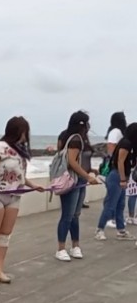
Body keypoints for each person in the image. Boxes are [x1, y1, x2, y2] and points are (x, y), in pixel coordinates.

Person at [0, 116, 44, 283]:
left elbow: (20, 177)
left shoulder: (20, 152)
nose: (26, 136)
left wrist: (33, 185)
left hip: (14, 195)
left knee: (5, 234)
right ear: (18, 131)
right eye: (24, 132)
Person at [55, 111, 99, 261]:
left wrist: (90, 170)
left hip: (80, 181)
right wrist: (87, 176)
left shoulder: (80, 139)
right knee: (67, 216)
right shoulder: (74, 139)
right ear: (83, 124)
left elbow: (80, 160)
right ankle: (61, 248)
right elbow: (72, 162)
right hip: (72, 181)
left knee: (75, 216)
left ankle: (75, 246)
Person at [95, 122, 137, 241]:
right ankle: (99, 229)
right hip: (116, 176)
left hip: (123, 175)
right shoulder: (125, 144)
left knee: (120, 204)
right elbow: (120, 162)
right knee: (110, 204)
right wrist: (123, 179)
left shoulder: (130, 145)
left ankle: (121, 230)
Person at [101, 112, 127, 228]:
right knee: (112, 195)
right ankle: (108, 218)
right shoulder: (116, 132)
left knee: (118, 197)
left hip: (117, 165)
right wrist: (116, 161)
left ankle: (116, 219)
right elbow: (111, 148)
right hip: (114, 166)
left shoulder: (118, 132)